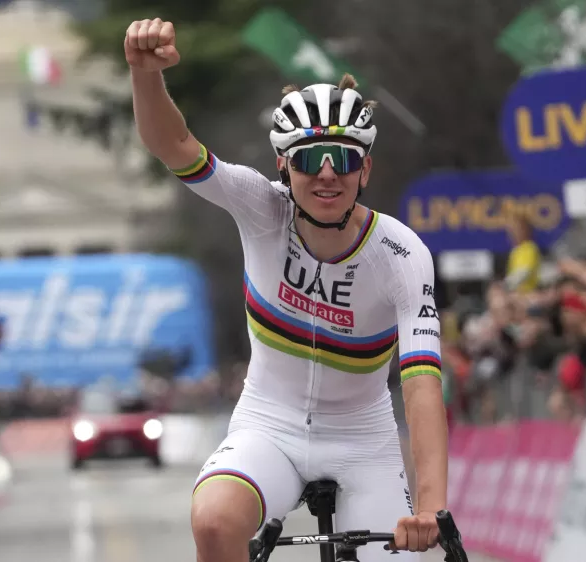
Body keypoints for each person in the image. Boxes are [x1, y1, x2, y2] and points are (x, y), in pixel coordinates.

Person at [124, 18, 447, 561]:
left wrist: (430, 509)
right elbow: (173, 143)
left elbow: (420, 388)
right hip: (268, 425)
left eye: (343, 159)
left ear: (365, 168)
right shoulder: (259, 207)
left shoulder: (402, 254)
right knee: (213, 522)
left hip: (362, 440)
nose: (326, 175)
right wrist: (145, 76)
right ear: (283, 164)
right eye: (308, 159)